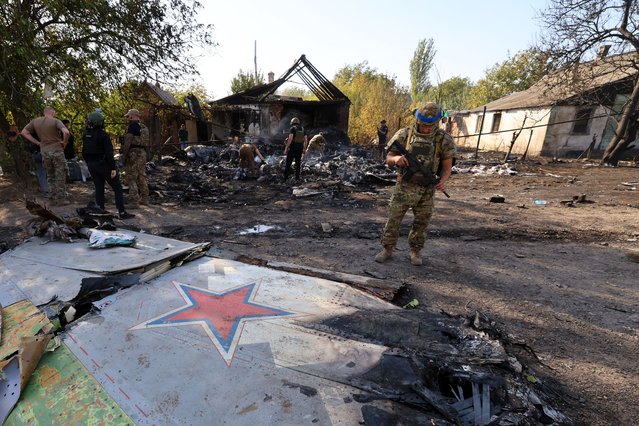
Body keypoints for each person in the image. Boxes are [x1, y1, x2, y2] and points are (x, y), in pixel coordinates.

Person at [375, 102, 455, 266]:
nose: (426, 128)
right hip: (404, 188)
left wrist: (442, 181)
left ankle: (415, 251)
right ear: (417, 120)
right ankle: (387, 249)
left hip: (426, 190)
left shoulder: (443, 139)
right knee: (393, 219)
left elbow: (447, 166)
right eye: (423, 125)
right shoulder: (404, 134)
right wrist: (397, 159)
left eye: (430, 126)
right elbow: (388, 158)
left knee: (422, 222)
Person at [81, 111, 134, 219]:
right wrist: (113, 168)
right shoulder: (103, 135)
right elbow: (109, 153)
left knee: (99, 188)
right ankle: (122, 212)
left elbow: (84, 152)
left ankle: (100, 210)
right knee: (117, 188)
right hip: (103, 164)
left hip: (91, 164)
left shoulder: (86, 134)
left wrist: (89, 163)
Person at [21, 106, 69, 204]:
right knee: (60, 174)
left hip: (44, 151)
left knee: (50, 175)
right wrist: (64, 142)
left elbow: (24, 132)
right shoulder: (56, 121)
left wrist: (38, 143)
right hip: (57, 150)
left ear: (44, 113)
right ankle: (61, 199)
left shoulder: (35, 121)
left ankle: (51, 198)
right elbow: (66, 132)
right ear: (53, 113)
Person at [121, 108, 150, 207]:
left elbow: (128, 141)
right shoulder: (144, 127)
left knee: (131, 177)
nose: (128, 118)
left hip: (133, 154)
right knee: (142, 176)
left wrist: (124, 156)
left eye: (128, 116)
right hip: (143, 153)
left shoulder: (132, 126)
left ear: (133, 116)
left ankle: (134, 201)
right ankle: (145, 199)